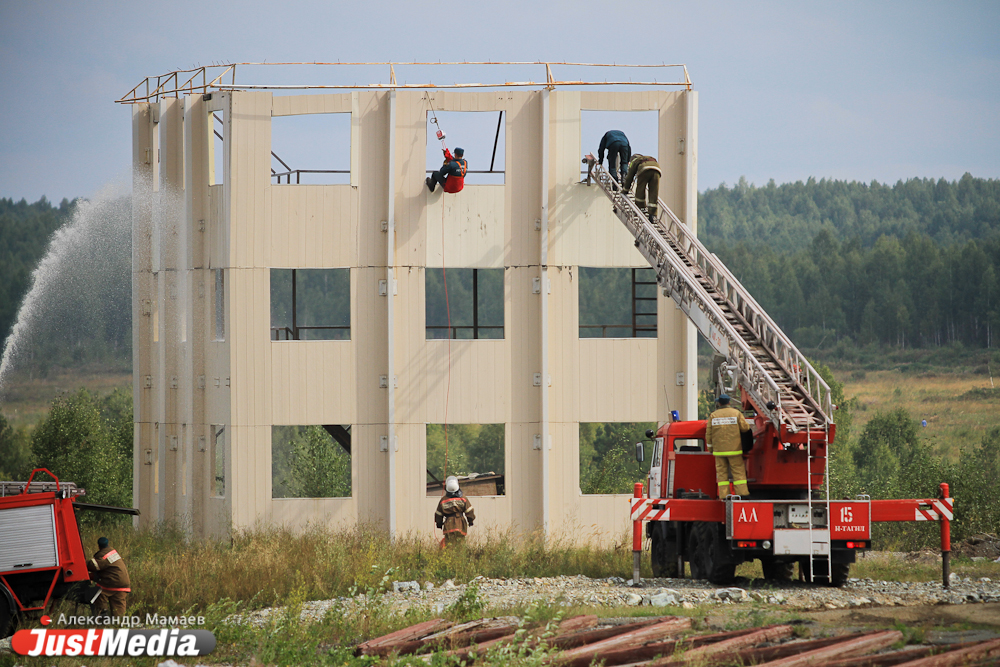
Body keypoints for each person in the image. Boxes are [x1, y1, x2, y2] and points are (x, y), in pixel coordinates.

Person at [704, 394, 751, 498]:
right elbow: (745, 428)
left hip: (719, 451)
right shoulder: (736, 413)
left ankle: (724, 495)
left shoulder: (713, 415)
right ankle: (742, 493)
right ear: (729, 402)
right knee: (738, 472)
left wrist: (711, 448)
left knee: (722, 474)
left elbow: (709, 434)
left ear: (719, 403)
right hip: (735, 450)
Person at [87, 537, 131, 617]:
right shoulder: (113, 552)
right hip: (123, 583)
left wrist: (84, 563)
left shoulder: (103, 555)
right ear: (108, 544)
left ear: (99, 546)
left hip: (112, 582)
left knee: (99, 592)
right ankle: (119, 621)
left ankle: (102, 614)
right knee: (119, 610)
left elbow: (93, 566)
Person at [435, 476, 476, 546]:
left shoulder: (443, 500)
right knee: (460, 543)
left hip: (449, 523)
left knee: (449, 543)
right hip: (460, 523)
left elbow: (438, 514)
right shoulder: (463, 498)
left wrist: (439, 523)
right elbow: (469, 511)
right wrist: (470, 521)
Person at [623, 153, 662, 221]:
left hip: (644, 169)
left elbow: (629, 177)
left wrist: (625, 190)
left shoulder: (634, 161)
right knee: (654, 192)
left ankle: (640, 207)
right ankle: (652, 214)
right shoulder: (648, 158)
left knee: (640, 189)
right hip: (656, 170)